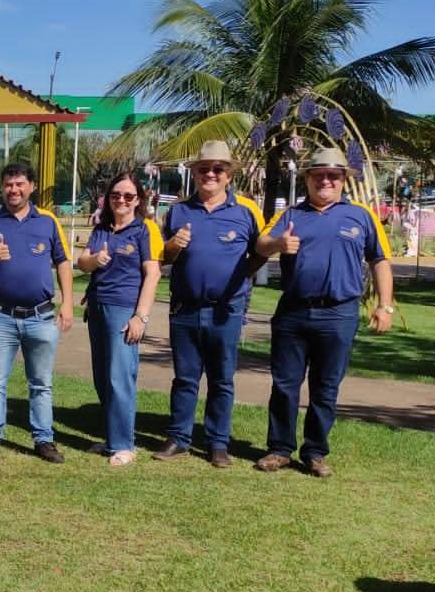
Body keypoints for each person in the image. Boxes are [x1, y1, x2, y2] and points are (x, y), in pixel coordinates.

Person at [254, 146, 395, 478]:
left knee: (326, 386)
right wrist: (277, 245)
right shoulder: (291, 215)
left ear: (343, 180)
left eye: (333, 175)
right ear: (308, 179)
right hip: (293, 312)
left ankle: (315, 452)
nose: (326, 181)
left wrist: (385, 305)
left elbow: (381, 261)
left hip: (339, 313)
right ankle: (279, 449)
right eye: (319, 175)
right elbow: (260, 243)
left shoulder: (361, 216)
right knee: (285, 384)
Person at [152, 140, 265, 468]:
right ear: (195, 173)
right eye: (204, 169)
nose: (210, 174)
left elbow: (261, 249)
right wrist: (173, 245)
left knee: (221, 378)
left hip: (225, 308)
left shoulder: (246, 210)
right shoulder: (178, 211)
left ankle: (218, 443)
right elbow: (164, 257)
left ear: (229, 175)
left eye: (218, 169)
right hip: (184, 307)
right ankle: (179, 438)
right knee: (185, 378)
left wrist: (243, 274)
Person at [0, 161, 73, 463]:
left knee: (41, 382)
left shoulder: (48, 221)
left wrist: (67, 303)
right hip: (0, 317)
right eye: (8, 185)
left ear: (31, 186)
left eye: (19, 184)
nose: (13, 190)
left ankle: (43, 440)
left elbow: (64, 262)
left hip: (41, 317)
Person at [78, 170, 163, 467]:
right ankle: (112, 438)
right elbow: (82, 262)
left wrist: (141, 316)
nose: (122, 200)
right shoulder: (101, 229)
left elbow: (152, 273)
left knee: (120, 377)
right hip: (98, 308)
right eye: (116, 195)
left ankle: (124, 444)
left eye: (128, 196)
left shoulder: (144, 229)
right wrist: (94, 260)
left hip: (124, 310)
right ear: (108, 198)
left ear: (138, 199)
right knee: (102, 377)